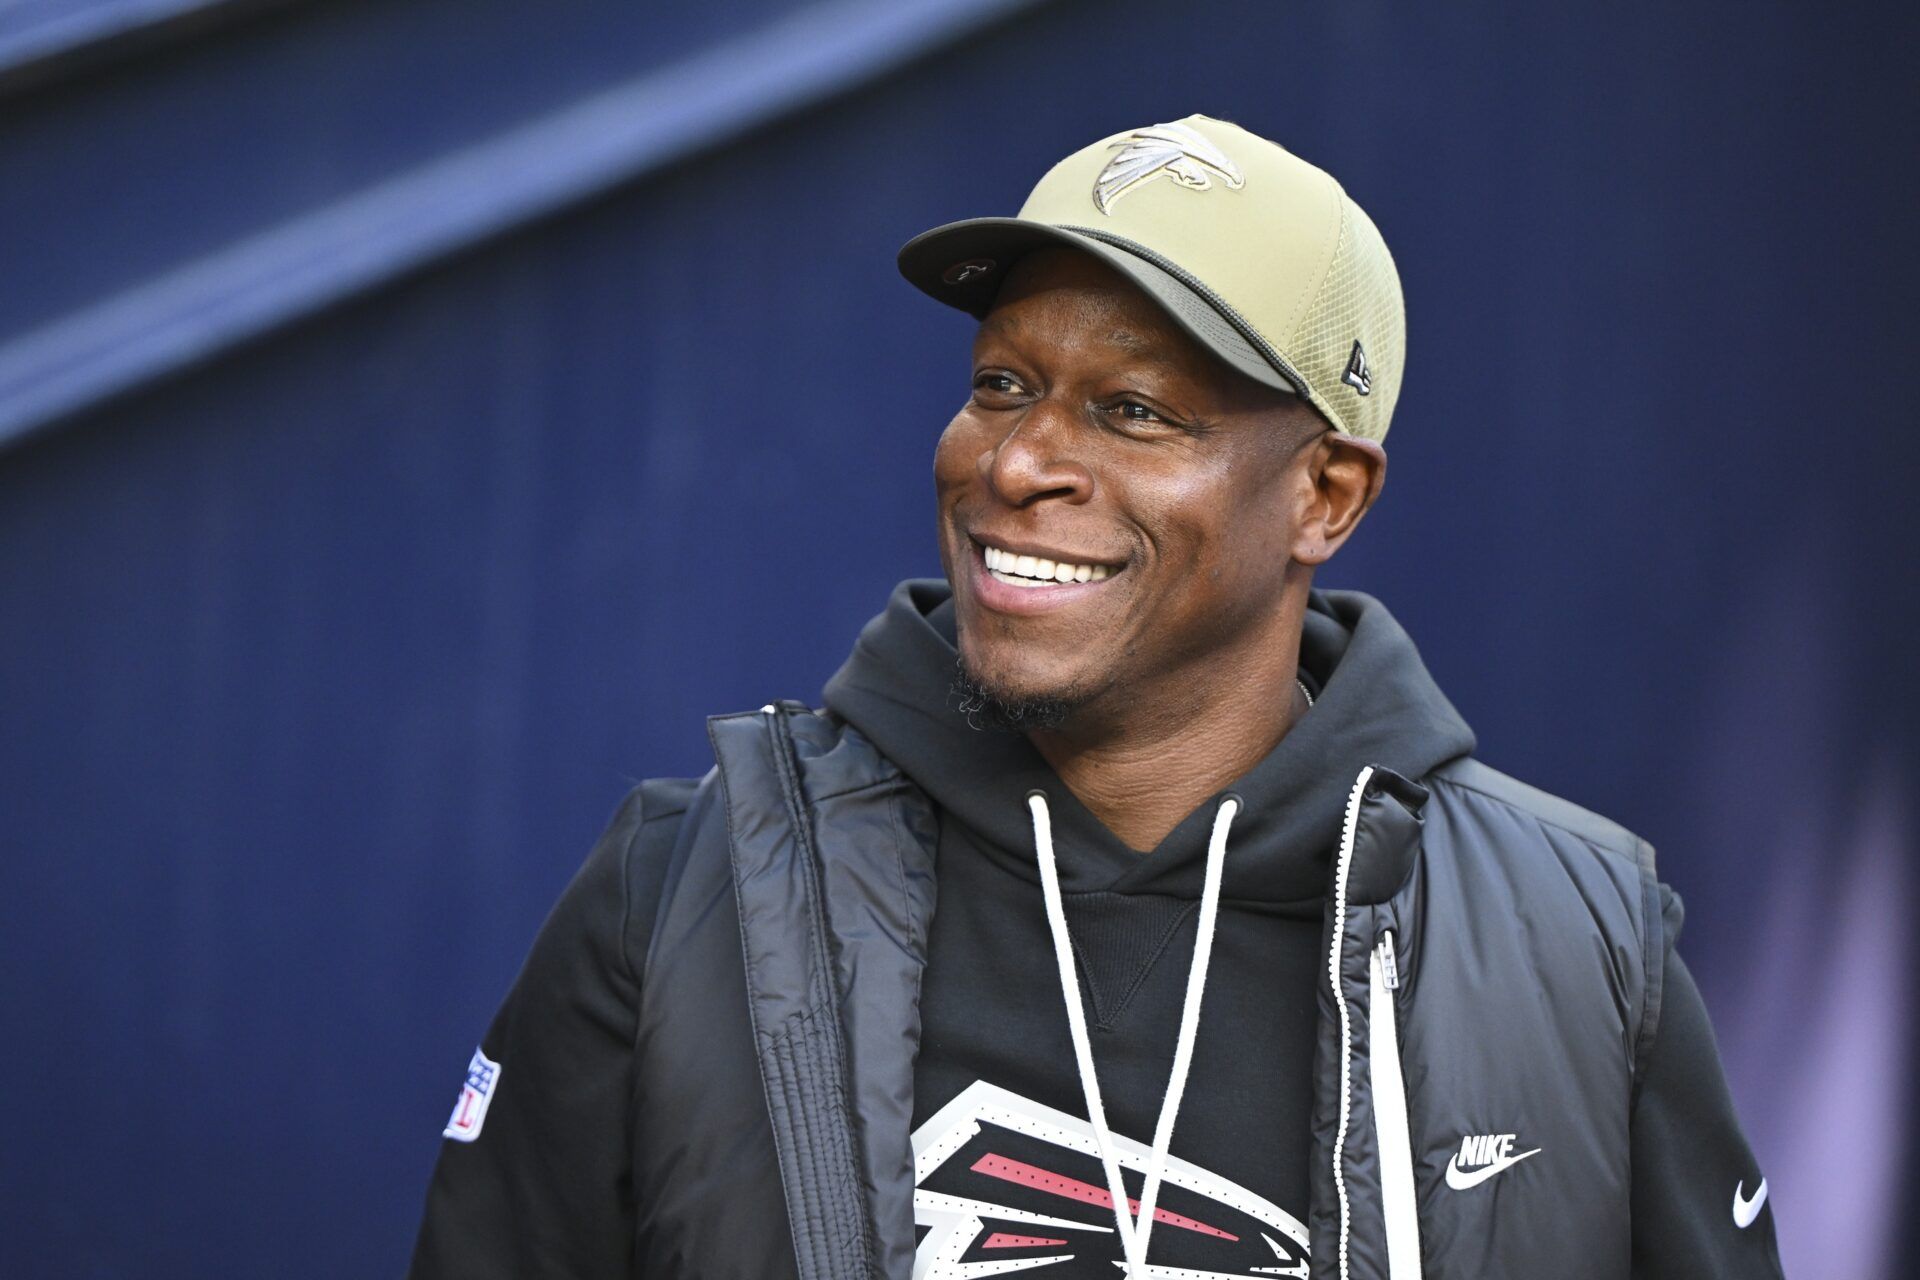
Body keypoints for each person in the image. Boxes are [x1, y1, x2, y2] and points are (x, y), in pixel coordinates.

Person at [409, 116, 1785, 1280]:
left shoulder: (1576, 944)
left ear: (1325, 496)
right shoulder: (689, 891)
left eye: (1135, 411)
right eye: (1002, 385)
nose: (1017, 465)